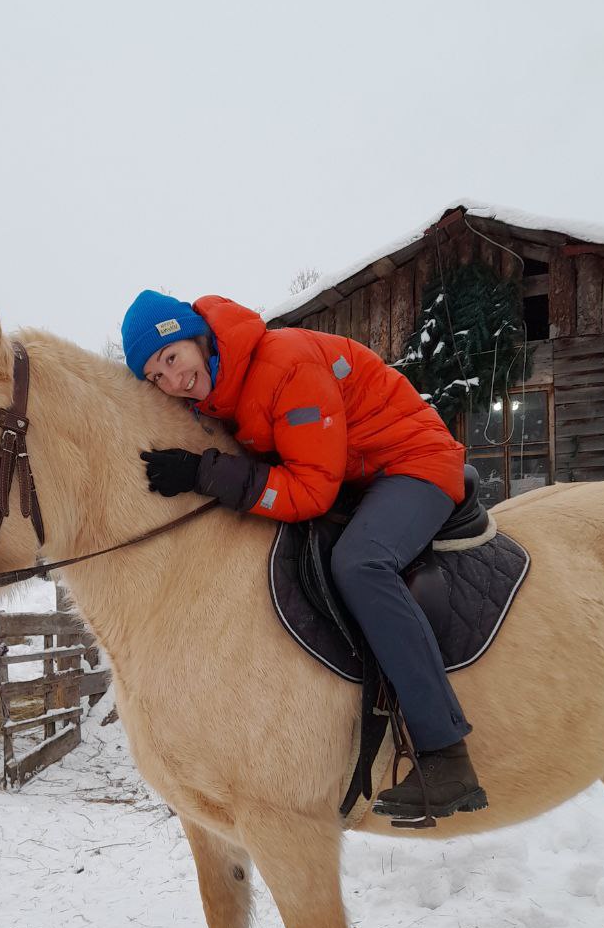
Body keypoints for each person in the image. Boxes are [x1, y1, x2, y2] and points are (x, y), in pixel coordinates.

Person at [120, 289, 487, 822]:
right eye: (157, 376)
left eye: (172, 358)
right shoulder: (221, 393)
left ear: (196, 338)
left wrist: (205, 472)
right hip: (358, 476)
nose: (173, 381)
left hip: (412, 462)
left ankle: (445, 752)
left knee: (360, 564)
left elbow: (311, 491)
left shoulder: (283, 364)